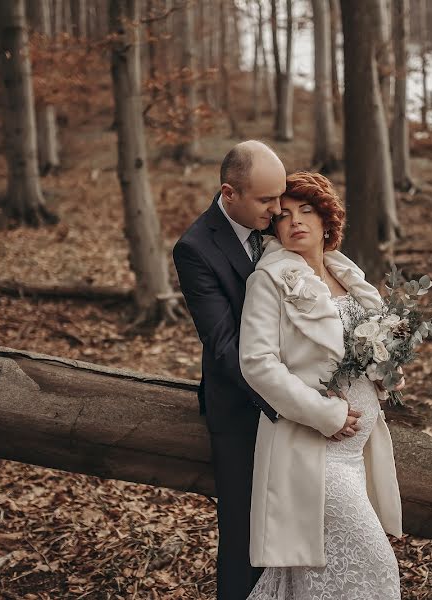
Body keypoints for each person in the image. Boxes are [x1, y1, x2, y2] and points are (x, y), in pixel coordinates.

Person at [239, 171, 403, 599]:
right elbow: (257, 364)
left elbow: (367, 355)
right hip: (313, 448)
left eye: (306, 211)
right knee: (376, 567)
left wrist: (391, 367)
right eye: (284, 215)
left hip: (358, 451)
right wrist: (325, 414)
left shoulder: (349, 276)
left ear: (326, 219)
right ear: (273, 227)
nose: (295, 221)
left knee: (321, 580)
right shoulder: (269, 280)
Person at [173, 140, 288, 599]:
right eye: (266, 200)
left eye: (279, 196)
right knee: (243, 534)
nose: (279, 209)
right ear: (229, 193)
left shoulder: (280, 221)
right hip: (241, 409)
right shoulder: (196, 248)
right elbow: (224, 346)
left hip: (300, 398)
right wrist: (291, 397)